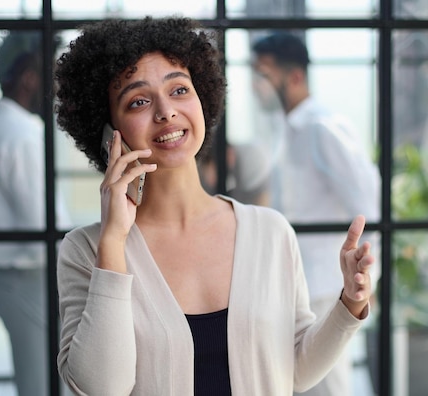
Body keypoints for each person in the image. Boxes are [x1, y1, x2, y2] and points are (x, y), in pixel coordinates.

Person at [53, 16, 375, 396]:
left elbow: (292, 372)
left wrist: (350, 306)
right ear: (108, 133)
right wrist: (113, 242)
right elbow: (102, 388)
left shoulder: (270, 232)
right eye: (139, 100)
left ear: (203, 99)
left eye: (179, 90)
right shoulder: (87, 251)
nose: (166, 112)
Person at [251, 32, 381, 396]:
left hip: (327, 283)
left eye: (263, 75)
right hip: (302, 281)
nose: (254, 86)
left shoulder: (322, 128)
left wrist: (361, 279)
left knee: (328, 385)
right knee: (307, 381)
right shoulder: (289, 129)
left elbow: (368, 203)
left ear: (293, 77)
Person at [0, 30, 70, 396]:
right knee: (43, 387)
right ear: (31, 78)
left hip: (23, 279)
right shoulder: (19, 135)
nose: (57, 90)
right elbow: (44, 222)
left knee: (40, 384)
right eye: (53, 78)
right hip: (31, 279)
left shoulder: (4, 127)